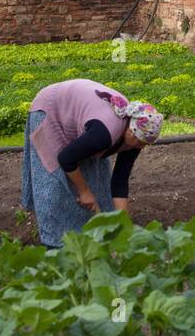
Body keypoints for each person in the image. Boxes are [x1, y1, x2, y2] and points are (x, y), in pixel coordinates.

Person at [20, 78, 163, 248]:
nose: (141, 146)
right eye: (140, 141)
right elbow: (65, 159)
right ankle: (55, 245)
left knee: (97, 183)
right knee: (56, 186)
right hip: (51, 108)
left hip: (84, 117)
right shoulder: (104, 133)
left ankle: (96, 238)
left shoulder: (135, 137)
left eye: (146, 143)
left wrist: (125, 227)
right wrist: (84, 191)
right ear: (131, 129)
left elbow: (120, 181)